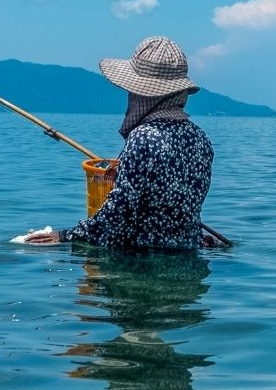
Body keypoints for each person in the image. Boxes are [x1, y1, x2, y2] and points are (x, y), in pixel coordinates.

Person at [25, 36, 214, 250]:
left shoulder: (144, 137)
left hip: (140, 267)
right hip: (187, 266)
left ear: (142, 94)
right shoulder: (200, 139)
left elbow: (118, 214)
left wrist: (66, 236)